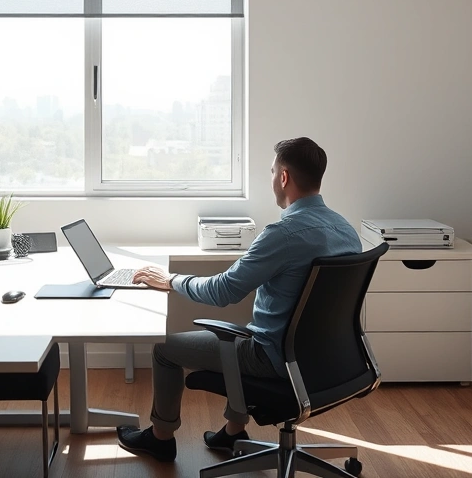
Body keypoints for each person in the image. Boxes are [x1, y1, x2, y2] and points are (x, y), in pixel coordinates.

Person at [116, 137, 362, 462]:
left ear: (284, 177)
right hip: (329, 359)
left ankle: (160, 437)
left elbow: (223, 291)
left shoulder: (283, 234)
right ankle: (232, 433)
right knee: (241, 334)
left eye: (273, 172)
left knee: (165, 349)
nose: (272, 178)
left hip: (275, 359)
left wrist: (171, 281)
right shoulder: (345, 230)